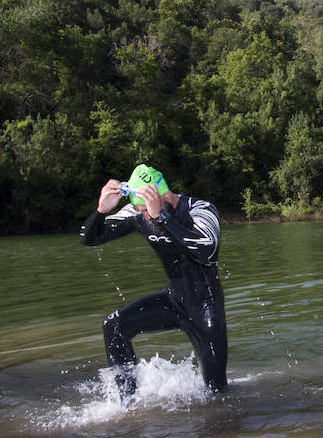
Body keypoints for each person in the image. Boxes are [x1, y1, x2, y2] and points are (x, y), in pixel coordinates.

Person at [79, 164, 228, 394]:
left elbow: (206, 250)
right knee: (114, 326)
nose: (145, 217)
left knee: (216, 392)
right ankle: (128, 403)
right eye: (141, 210)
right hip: (173, 301)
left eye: (147, 210)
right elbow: (89, 238)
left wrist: (162, 217)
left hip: (206, 308)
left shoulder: (199, 209)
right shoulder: (140, 212)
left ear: (164, 195)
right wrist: (101, 211)